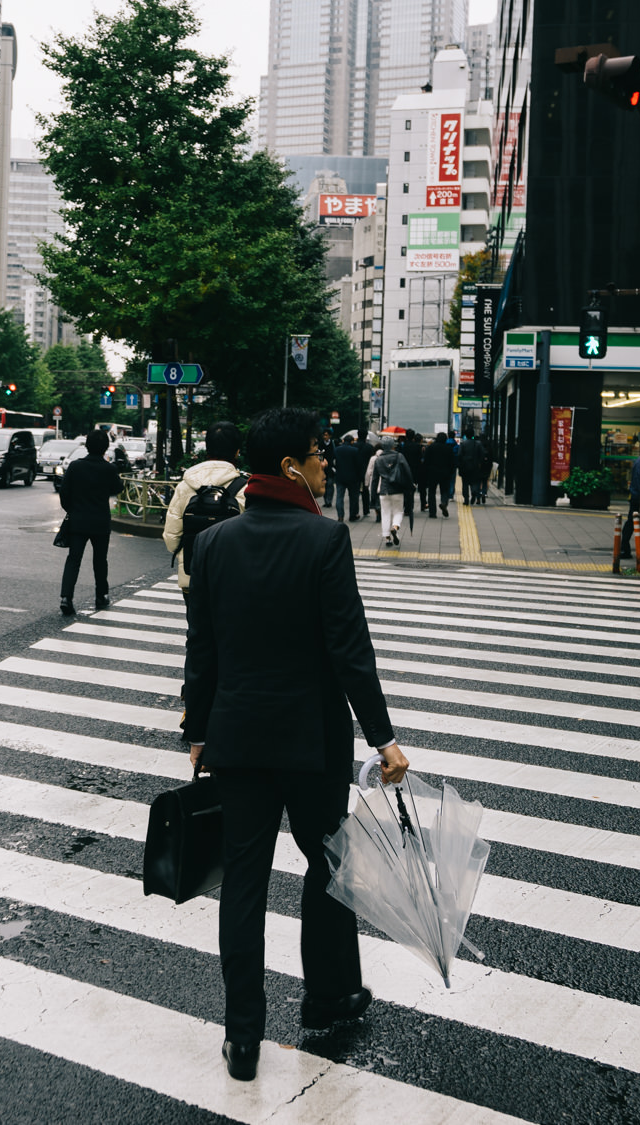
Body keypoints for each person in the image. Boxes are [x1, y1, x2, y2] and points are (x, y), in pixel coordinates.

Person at [181, 406, 408, 1083]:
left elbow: (203, 647)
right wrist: (383, 737)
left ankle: (242, 1035)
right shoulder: (324, 539)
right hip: (312, 741)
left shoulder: (214, 543)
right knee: (329, 865)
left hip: (239, 739)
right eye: (316, 452)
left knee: (244, 884)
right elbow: (349, 650)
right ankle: (327, 995)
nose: (324, 462)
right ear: (289, 467)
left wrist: (196, 730)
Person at [163, 423, 246, 597]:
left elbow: (171, 538)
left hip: (193, 576)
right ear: (237, 451)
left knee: (196, 623)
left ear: (206, 448)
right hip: (233, 577)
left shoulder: (186, 486)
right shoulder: (244, 489)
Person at [56, 429, 122, 616]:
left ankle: (66, 598)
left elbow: (64, 493)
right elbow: (117, 488)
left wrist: (72, 510)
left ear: (86, 445)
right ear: (106, 447)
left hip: (77, 521)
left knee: (73, 559)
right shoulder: (109, 469)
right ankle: (101, 596)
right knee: (100, 561)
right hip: (100, 521)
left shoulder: (76, 466)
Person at [370, 434, 411, 548]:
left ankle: (387, 538)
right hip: (397, 489)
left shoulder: (378, 459)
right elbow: (407, 471)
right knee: (398, 511)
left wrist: (373, 495)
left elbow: (374, 479)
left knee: (385, 513)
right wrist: (410, 485)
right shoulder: (399, 456)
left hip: (384, 490)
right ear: (393, 445)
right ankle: (395, 526)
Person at [330, 432, 364, 522]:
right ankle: (352, 515)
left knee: (339, 497)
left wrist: (336, 471)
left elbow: (332, 462)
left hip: (340, 476)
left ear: (343, 441)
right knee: (353, 497)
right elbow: (358, 465)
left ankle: (340, 516)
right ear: (352, 442)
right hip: (353, 478)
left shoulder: (336, 450)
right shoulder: (355, 450)